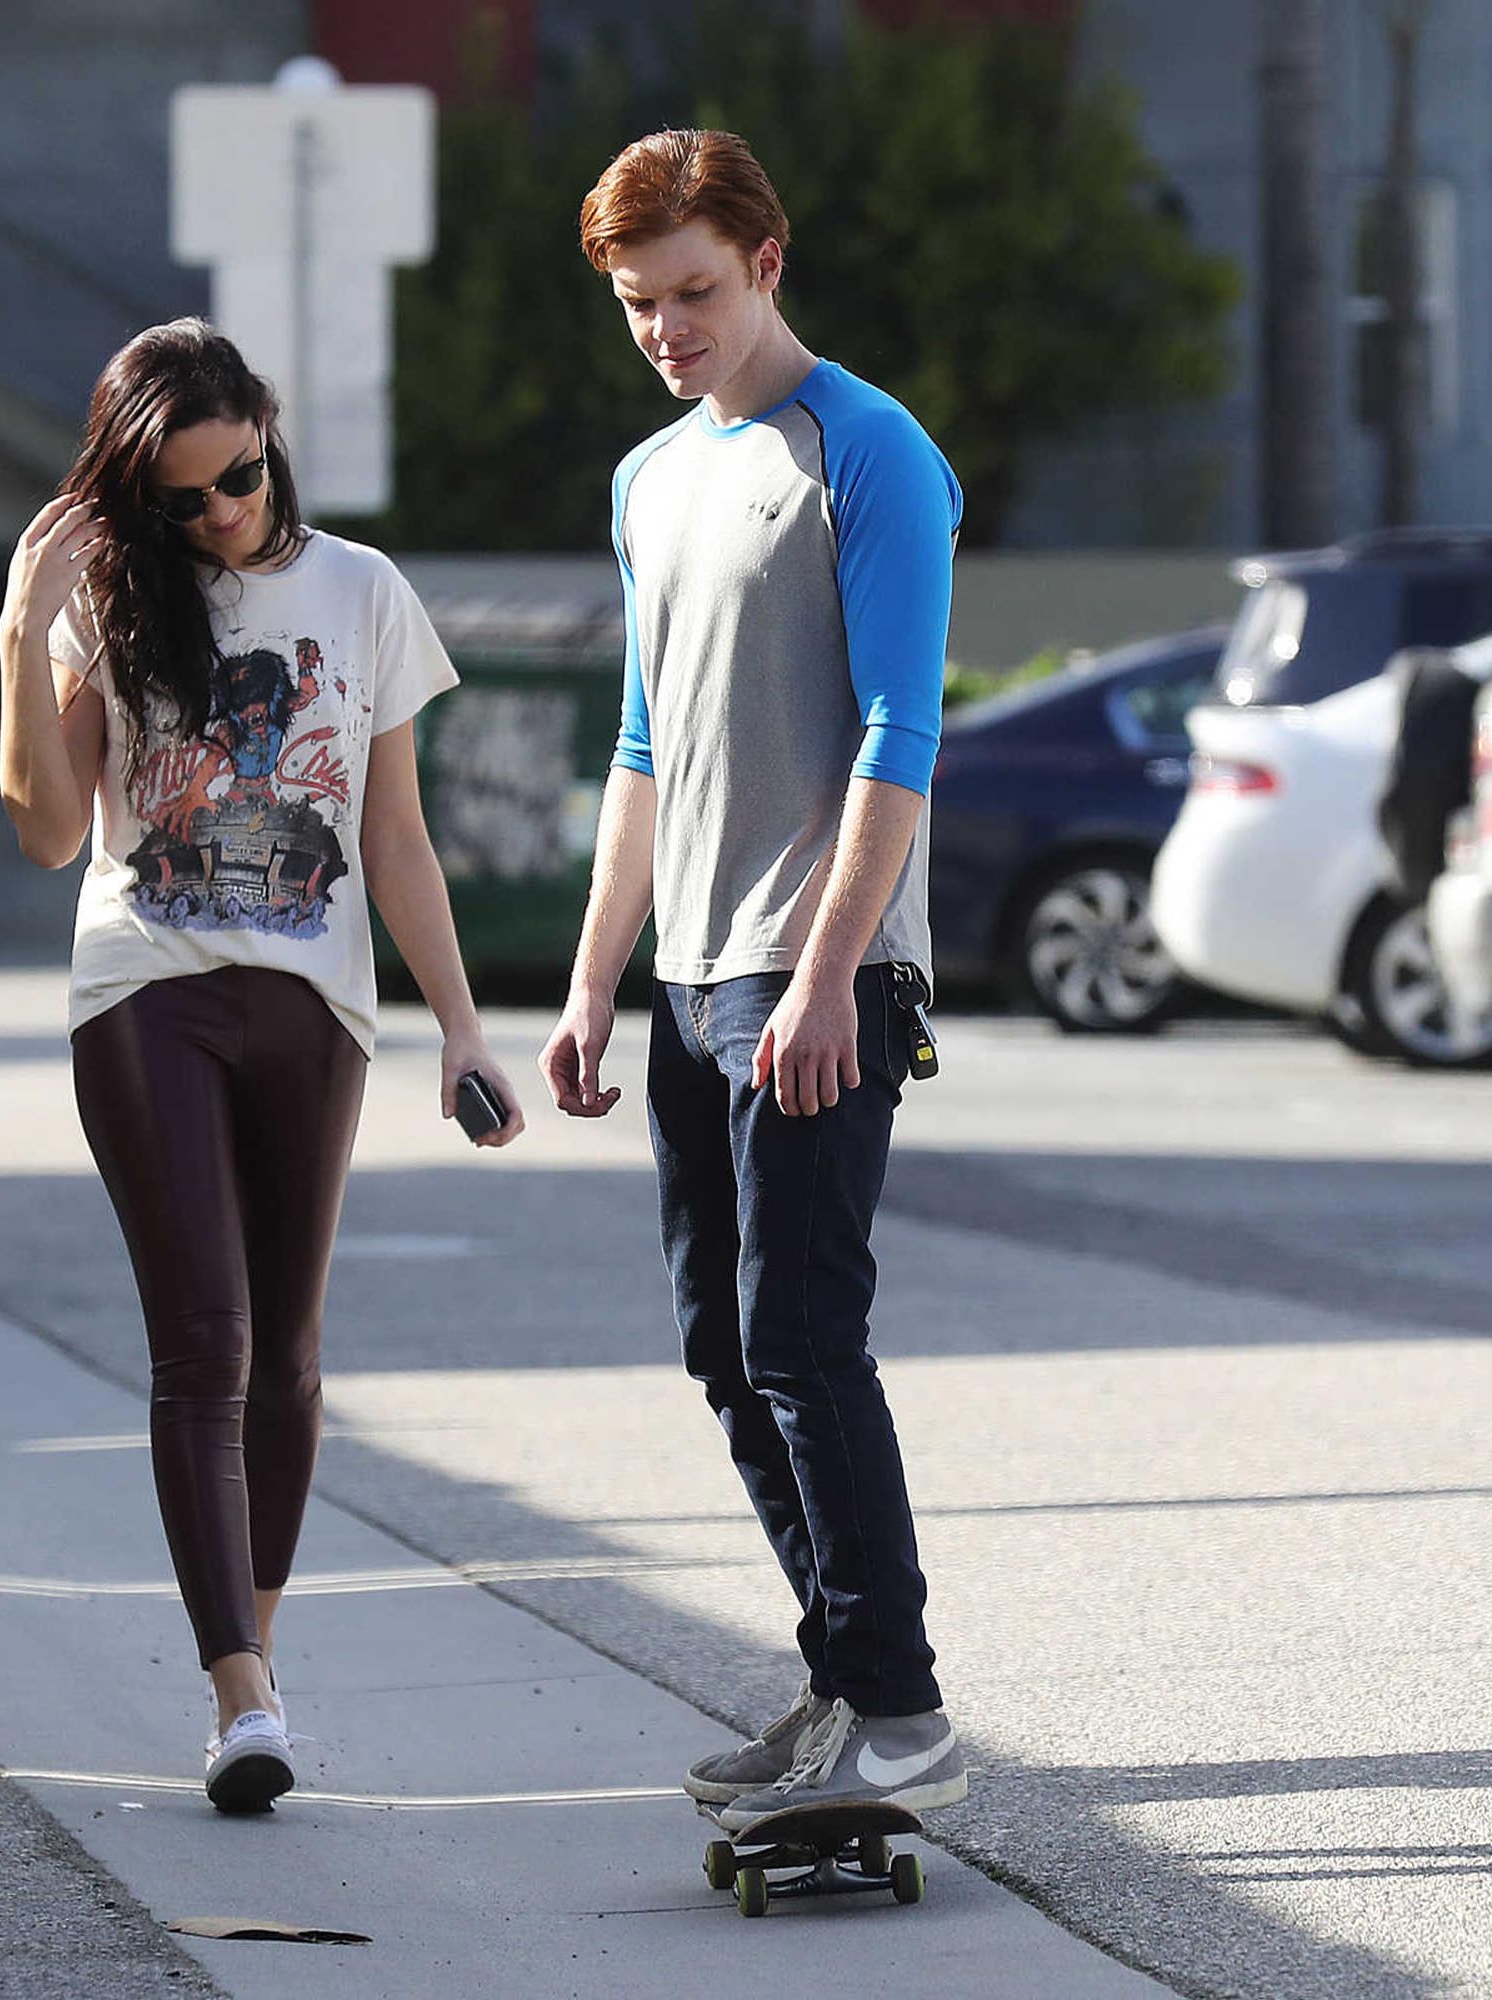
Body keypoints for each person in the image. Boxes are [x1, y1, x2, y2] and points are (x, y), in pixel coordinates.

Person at [0, 319, 525, 1813]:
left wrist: (464, 1029)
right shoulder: (107, 598)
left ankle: (263, 1669)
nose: (225, 514)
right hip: (145, 990)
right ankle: (238, 1700)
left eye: (241, 475)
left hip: (315, 1002)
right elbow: (46, 830)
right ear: (133, 507)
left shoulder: (360, 593)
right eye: (185, 501)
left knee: (289, 1357)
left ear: (269, 438)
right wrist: (23, 629)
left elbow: (395, 835)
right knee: (206, 1344)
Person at [542, 131, 970, 1830]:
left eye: (695, 292)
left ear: (768, 262)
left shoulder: (868, 451)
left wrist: (833, 973)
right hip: (690, 971)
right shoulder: (654, 479)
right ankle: (845, 1676)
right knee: (724, 1346)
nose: (666, 327)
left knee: (807, 1338)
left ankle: (906, 1710)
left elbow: (901, 731)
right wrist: (588, 983)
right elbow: (645, 747)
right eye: (639, 303)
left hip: (818, 973)